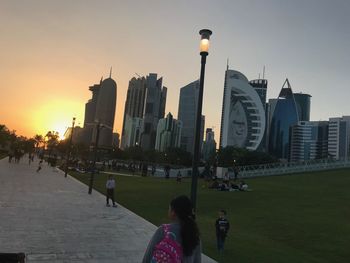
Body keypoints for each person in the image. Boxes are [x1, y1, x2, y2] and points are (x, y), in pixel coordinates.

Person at [142, 195, 201, 263]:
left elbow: (147, 258)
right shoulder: (195, 235)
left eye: (169, 208)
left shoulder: (163, 231)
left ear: (173, 212)